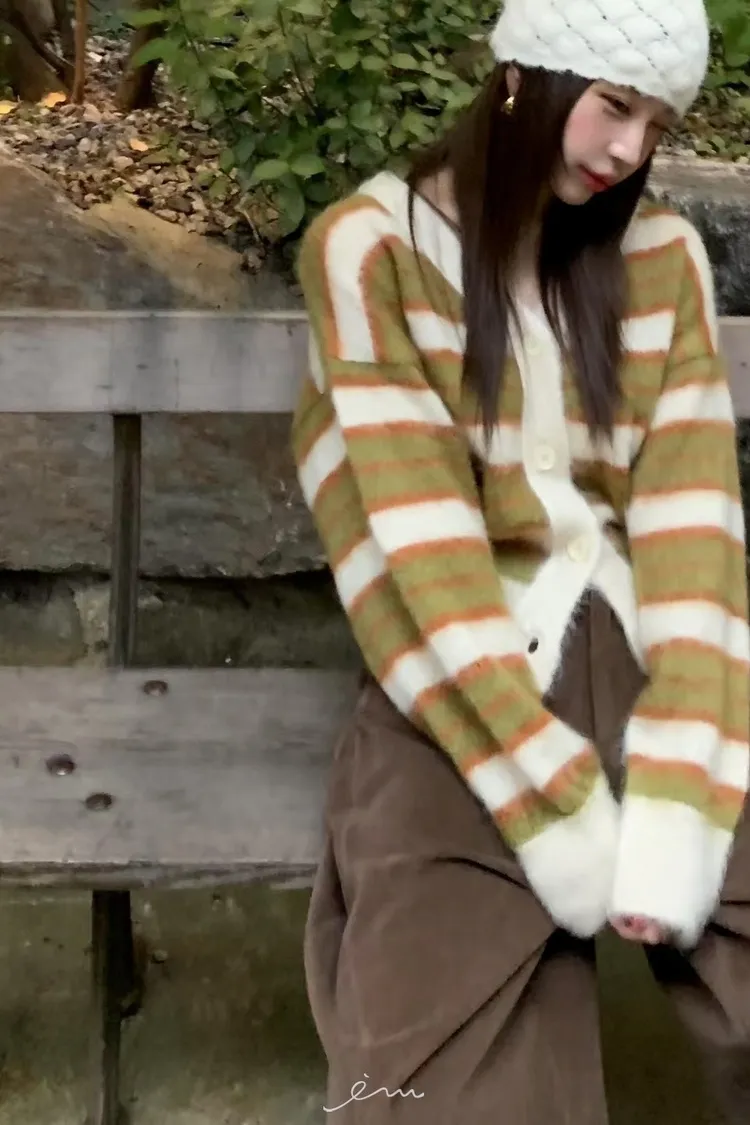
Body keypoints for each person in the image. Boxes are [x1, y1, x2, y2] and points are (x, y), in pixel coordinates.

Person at [290, 0, 750, 1120]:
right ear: (519, 78)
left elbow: (694, 524)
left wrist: (686, 777)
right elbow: (414, 550)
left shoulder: (662, 259)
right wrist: (548, 796)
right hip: (460, 667)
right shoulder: (372, 251)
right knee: (431, 1055)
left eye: (656, 125)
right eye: (613, 106)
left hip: (649, 646)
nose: (629, 151)